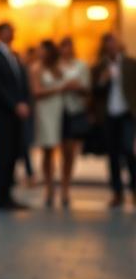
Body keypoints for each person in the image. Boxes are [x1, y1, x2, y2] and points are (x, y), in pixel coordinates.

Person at [0, 22, 30, 210]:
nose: (13, 34)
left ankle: (8, 193)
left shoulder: (14, 56)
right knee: (4, 153)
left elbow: (20, 83)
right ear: (0, 33)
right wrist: (15, 104)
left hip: (16, 113)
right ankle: (0, 196)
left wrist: (24, 102)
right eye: (10, 31)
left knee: (12, 153)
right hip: (3, 113)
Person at [92, 32, 136, 207]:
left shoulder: (130, 64)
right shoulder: (100, 67)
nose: (111, 47)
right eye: (108, 44)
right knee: (112, 154)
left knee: (128, 150)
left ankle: (134, 189)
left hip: (126, 113)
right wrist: (103, 81)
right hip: (109, 115)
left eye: (113, 43)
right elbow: (94, 92)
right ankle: (117, 192)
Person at [29, 40, 66, 207]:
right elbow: (36, 91)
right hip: (45, 111)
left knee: (61, 148)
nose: (40, 53)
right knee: (48, 149)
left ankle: (60, 185)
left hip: (59, 109)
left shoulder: (57, 67)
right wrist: (59, 90)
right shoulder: (37, 68)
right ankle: (49, 185)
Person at [59, 36, 90, 205]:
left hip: (75, 110)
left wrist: (77, 87)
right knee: (60, 150)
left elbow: (87, 88)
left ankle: (66, 185)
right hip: (59, 111)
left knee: (71, 151)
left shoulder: (81, 65)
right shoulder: (55, 66)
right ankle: (57, 184)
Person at [20, 46, 39, 186]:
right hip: (27, 111)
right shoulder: (25, 70)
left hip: (33, 110)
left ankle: (29, 173)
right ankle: (29, 172)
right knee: (24, 143)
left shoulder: (34, 69)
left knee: (25, 143)